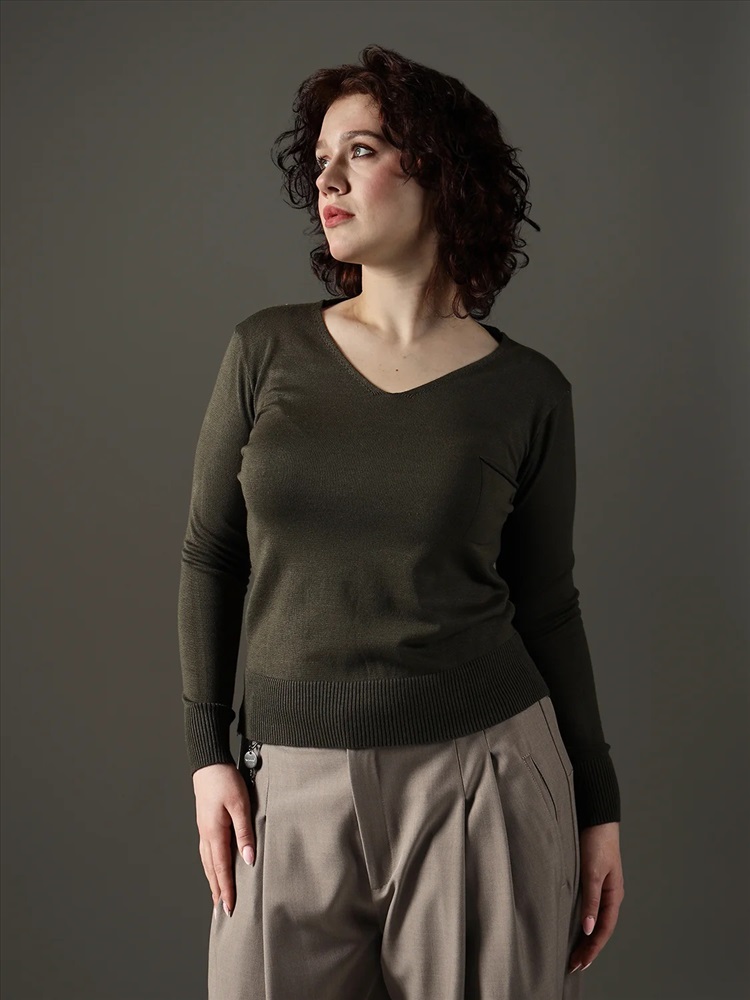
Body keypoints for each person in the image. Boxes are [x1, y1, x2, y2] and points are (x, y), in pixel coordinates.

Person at [178, 43, 624, 1000]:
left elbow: (548, 605)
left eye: (363, 150)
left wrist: (600, 806)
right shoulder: (267, 350)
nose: (327, 180)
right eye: (320, 159)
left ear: (439, 171)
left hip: (482, 782)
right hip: (283, 786)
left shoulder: (527, 391)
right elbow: (211, 555)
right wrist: (208, 755)